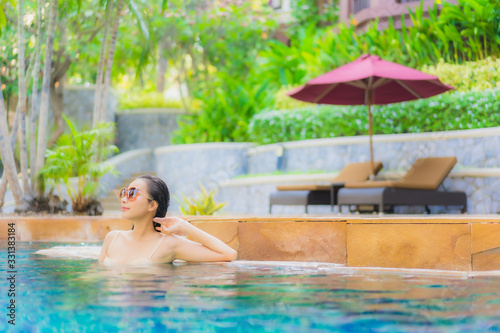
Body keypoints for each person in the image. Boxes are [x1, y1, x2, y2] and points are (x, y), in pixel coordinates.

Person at [98, 175, 237, 265]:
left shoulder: (169, 244)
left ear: (152, 205)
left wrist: (185, 226)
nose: (123, 199)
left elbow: (228, 254)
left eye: (132, 193)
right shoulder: (112, 238)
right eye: (124, 192)